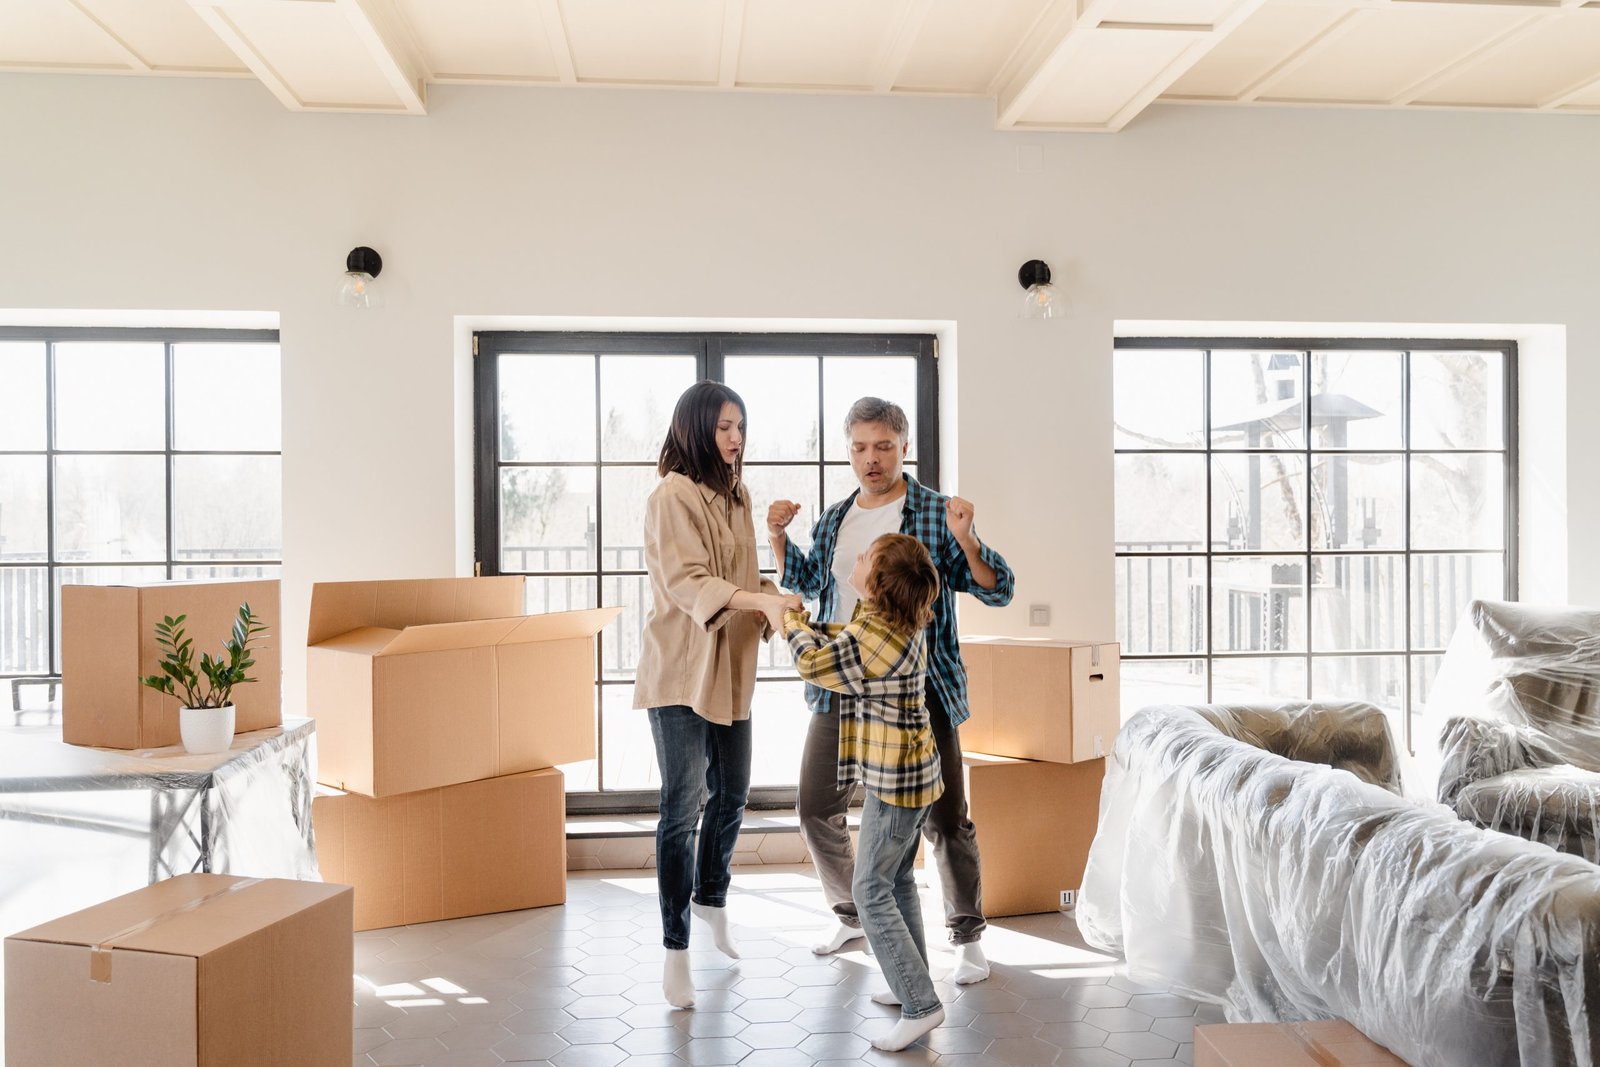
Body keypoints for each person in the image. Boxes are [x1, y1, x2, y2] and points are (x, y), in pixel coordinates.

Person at [769, 396, 1015, 985]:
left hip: (919, 691)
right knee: (815, 806)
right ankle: (855, 912)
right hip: (846, 686)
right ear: (848, 451)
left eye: (883, 446)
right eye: (859, 447)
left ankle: (966, 933)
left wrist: (969, 540)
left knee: (947, 816)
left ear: (904, 446)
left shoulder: (935, 514)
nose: (870, 459)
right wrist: (777, 534)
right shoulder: (835, 518)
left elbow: (998, 589)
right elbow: (805, 580)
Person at [634, 380, 799, 1010]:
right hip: (680, 672)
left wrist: (775, 594)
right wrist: (759, 601)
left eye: (741, 427)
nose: (736, 438)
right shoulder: (670, 496)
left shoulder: (738, 496)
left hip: (730, 670)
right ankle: (675, 949)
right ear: (696, 429)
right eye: (725, 427)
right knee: (682, 808)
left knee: (732, 795)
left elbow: (736, 577)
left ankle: (711, 901)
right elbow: (687, 582)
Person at [783, 533, 946, 1052]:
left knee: (868, 890)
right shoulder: (890, 620)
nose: (854, 562)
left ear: (876, 585)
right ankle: (910, 989)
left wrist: (788, 624)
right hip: (910, 776)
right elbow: (845, 635)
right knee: (896, 881)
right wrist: (807, 622)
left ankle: (921, 1005)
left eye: (863, 560)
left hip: (897, 785)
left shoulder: (877, 638)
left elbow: (816, 665)